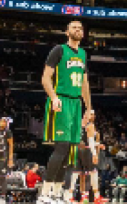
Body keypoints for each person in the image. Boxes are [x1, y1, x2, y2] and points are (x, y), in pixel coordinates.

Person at [40, 20, 92, 204]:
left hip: (76, 103)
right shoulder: (59, 50)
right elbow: (46, 78)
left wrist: (88, 107)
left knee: (70, 150)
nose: (78, 30)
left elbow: (85, 84)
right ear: (67, 31)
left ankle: (56, 192)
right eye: (74, 27)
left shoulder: (84, 54)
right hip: (61, 100)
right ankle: (44, 193)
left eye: (80, 28)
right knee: (61, 147)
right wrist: (54, 97)